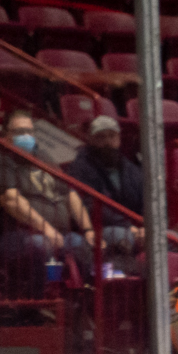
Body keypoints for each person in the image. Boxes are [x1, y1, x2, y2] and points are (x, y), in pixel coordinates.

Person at [0, 111, 93, 291]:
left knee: (80, 243)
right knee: (42, 245)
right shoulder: (1, 158)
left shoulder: (43, 157)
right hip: (16, 235)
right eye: (19, 132)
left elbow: (69, 193)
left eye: (29, 131)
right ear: (5, 135)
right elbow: (11, 201)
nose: (26, 136)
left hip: (57, 233)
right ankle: (46, 296)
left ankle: (81, 297)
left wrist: (88, 229)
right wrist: (47, 229)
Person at [62, 115, 144, 276]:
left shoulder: (131, 169)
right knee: (124, 237)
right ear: (91, 140)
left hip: (135, 227)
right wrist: (130, 227)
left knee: (172, 239)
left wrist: (145, 228)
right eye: (101, 137)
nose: (107, 142)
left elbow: (145, 201)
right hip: (99, 228)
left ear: (119, 139)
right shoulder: (81, 167)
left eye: (111, 136)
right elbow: (92, 205)